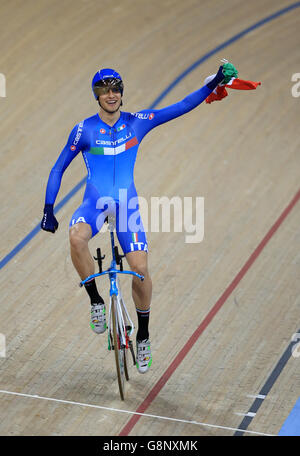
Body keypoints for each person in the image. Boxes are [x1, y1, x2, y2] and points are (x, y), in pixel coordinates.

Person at [41, 63, 235, 374]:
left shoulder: (138, 122)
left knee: (141, 270)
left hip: (126, 206)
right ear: (97, 95)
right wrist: (49, 208)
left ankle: (142, 335)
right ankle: (95, 301)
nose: (112, 95)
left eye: (116, 89)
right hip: (95, 203)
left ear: (121, 93)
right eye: (105, 90)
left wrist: (215, 84)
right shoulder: (84, 130)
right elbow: (57, 168)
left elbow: (182, 105)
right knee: (76, 237)